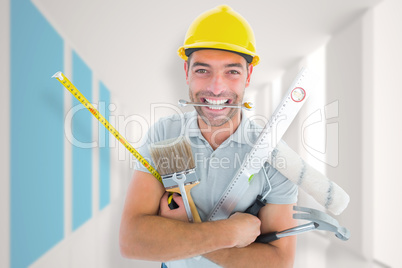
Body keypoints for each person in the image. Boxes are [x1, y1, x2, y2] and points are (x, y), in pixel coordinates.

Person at [119, 5, 298, 268]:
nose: (216, 88)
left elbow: (279, 262)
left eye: (232, 71)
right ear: (186, 72)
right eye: (203, 70)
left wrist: (182, 234)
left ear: (248, 75)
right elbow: (132, 241)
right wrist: (228, 234)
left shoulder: (274, 154)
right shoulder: (164, 134)